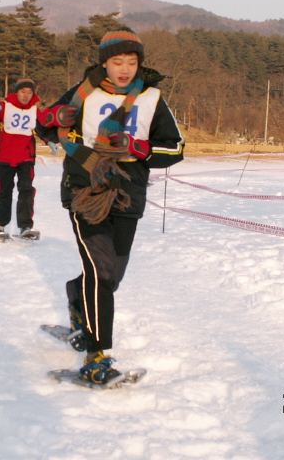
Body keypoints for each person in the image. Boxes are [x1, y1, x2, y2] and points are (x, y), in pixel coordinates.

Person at [36, 26, 184, 385]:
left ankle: (76, 296)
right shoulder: (83, 92)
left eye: (131, 62)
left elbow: (175, 149)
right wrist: (55, 120)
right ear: (104, 63)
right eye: (117, 61)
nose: (124, 69)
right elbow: (45, 127)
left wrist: (139, 148)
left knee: (111, 274)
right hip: (86, 190)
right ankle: (96, 355)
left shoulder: (151, 98)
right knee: (101, 271)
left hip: (129, 194)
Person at [0, 77, 42, 241]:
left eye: (29, 92)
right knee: (5, 192)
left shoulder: (34, 110)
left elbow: (44, 129)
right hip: (5, 157)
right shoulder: (4, 106)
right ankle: (0, 227)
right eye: (22, 92)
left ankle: (25, 227)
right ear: (16, 92)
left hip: (26, 158)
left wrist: (53, 141)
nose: (26, 95)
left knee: (26, 191)